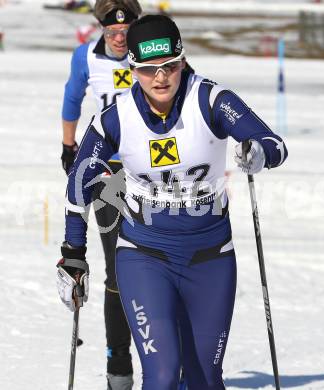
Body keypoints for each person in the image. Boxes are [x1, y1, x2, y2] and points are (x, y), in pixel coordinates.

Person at [57, 14, 288, 390]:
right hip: (144, 256)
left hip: (211, 257)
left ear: (182, 60)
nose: (160, 77)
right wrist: (72, 255)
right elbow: (77, 184)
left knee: (205, 379)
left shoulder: (212, 99)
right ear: (133, 69)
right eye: (148, 70)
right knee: (162, 376)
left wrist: (257, 152)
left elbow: (274, 144)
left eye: (169, 66)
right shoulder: (115, 118)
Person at [60, 1, 142, 389]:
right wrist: (68, 145)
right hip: (108, 172)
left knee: (166, 263)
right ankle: (119, 367)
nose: (120, 37)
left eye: (126, 30)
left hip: (155, 173)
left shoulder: (153, 55)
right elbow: (72, 99)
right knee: (118, 268)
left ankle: (173, 363)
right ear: (101, 28)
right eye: (112, 32)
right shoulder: (86, 58)